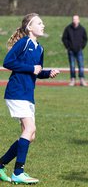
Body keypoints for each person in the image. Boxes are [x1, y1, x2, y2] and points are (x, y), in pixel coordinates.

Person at [0, 13, 60, 184]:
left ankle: (0, 164)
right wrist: (30, 68)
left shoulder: (40, 48)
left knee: (30, 135)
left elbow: (37, 71)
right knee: (29, 128)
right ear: (29, 28)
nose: (43, 25)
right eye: (39, 23)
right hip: (17, 91)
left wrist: (48, 73)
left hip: (27, 94)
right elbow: (7, 62)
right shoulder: (23, 42)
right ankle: (18, 171)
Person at [61, 15, 88, 86]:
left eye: (76, 19)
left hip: (79, 50)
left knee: (81, 66)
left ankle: (82, 80)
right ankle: (73, 80)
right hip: (71, 51)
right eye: (73, 19)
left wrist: (81, 46)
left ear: (79, 20)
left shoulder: (82, 29)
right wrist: (68, 47)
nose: (75, 21)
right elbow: (64, 38)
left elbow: (85, 39)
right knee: (72, 66)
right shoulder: (68, 28)